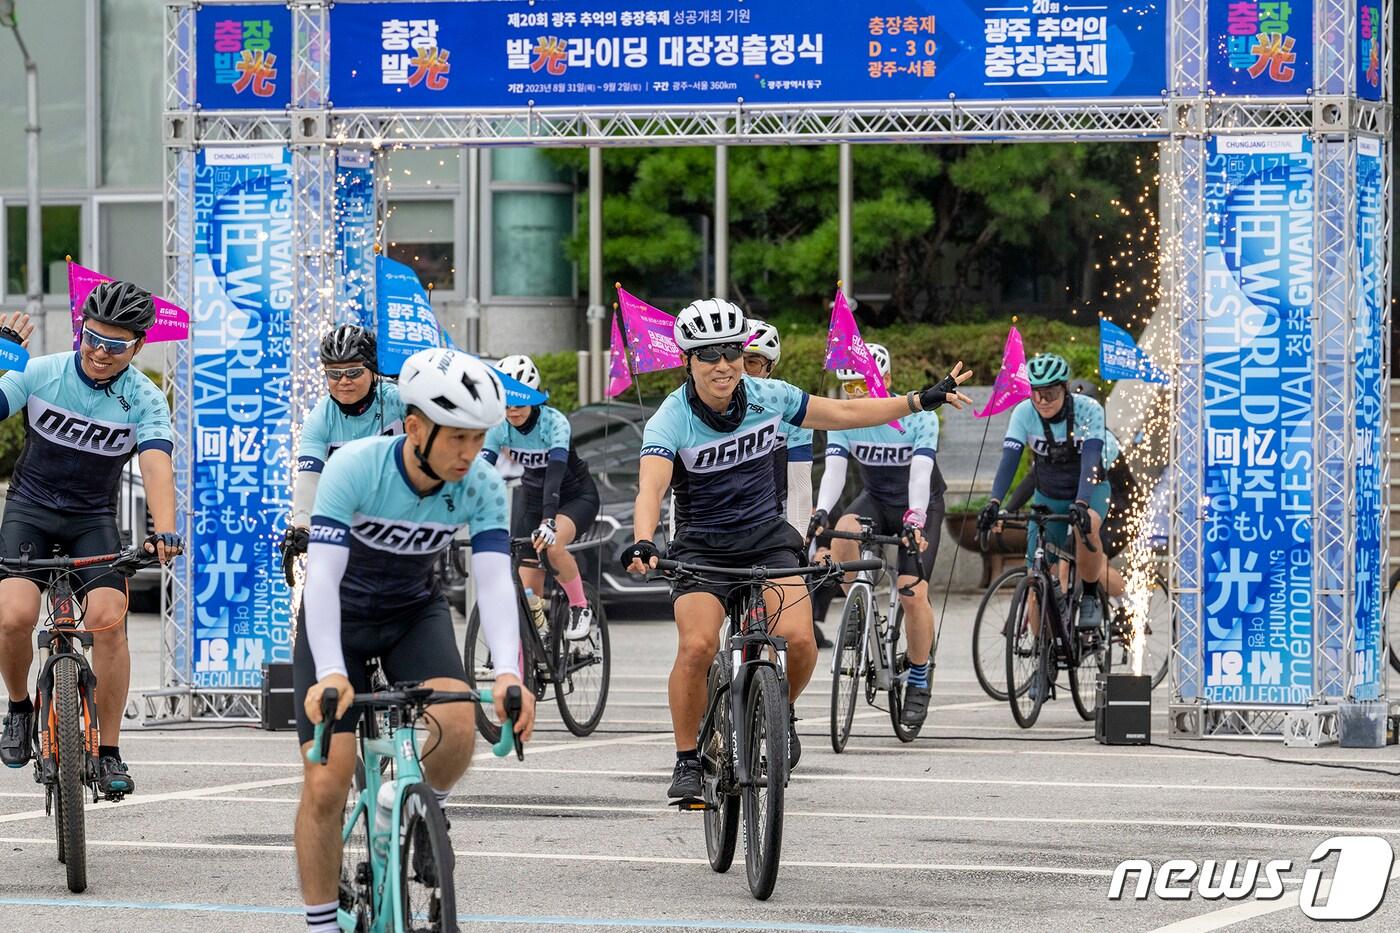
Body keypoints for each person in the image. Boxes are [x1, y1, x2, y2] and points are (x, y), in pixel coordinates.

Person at [621, 298, 973, 800]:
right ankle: (687, 762)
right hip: (702, 548)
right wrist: (642, 540)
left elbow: (847, 411)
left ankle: (778, 712)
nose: (723, 365)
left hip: (766, 539)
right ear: (688, 361)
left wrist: (918, 400)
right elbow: (650, 489)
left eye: (732, 353)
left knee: (801, 642)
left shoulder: (771, 396)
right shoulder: (670, 419)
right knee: (697, 646)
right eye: (708, 355)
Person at [293, 348, 536, 933]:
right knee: (327, 781)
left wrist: (508, 673)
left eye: (479, 439)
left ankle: (416, 811)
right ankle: (322, 924)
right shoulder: (354, 467)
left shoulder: (480, 485)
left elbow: (494, 579)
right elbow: (320, 578)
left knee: (456, 726)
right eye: (456, 438)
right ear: (414, 427)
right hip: (340, 620)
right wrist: (330, 672)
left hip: (411, 612)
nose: (469, 454)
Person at [0, 285, 183, 794]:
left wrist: (164, 528)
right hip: (29, 512)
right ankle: (17, 708)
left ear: (138, 347)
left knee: (108, 620)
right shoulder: (40, 372)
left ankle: (108, 751)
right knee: (13, 615)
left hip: (90, 519)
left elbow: (156, 463)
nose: (100, 352)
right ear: (81, 328)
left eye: (116, 345)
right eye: (92, 338)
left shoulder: (144, 398)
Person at [808, 343, 948, 729]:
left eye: (862, 387)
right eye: (848, 389)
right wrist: (821, 512)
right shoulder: (846, 419)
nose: (855, 396)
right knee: (843, 531)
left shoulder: (918, 417)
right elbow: (834, 471)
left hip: (919, 502)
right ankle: (858, 604)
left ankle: (918, 676)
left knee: (911, 591)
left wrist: (915, 520)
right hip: (875, 498)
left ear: (884, 381)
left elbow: (920, 474)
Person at [977, 353, 1118, 634]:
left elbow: (1091, 461)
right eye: (1036, 393)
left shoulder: (1088, 410)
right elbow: (1010, 461)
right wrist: (995, 502)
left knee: (1086, 526)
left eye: (1050, 393)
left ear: (1064, 389)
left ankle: (1090, 595)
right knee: (1037, 578)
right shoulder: (1024, 413)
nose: (1042, 400)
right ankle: (1044, 659)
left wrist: (1081, 502)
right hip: (1049, 492)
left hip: (1089, 489)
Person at [484, 354, 602, 640]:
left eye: (519, 405)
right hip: (534, 499)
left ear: (534, 398)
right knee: (526, 594)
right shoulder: (499, 427)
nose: (512, 412)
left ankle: (579, 606)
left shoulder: (555, 423)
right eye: (506, 405)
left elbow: (555, 474)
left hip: (574, 497)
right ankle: (536, 647)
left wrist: (549, 520)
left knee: (552, 546)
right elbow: (482, 471)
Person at [280, 324, 404, 578]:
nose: (344, 381)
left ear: (373, 372)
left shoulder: (398, 399)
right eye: (334, 374)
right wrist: (302, 525)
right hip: (349, 518)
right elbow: (309, 479)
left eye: (354, 372)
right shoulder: (320, 418)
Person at [742, 319, 813, 535]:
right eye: (736, 360)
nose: (742, 373)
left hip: (772, 514)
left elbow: (799, 487)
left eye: (752, 363)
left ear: (770, 366)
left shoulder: (789, 405)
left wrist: (798, 540)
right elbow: (682, 489)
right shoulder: (707, 403)